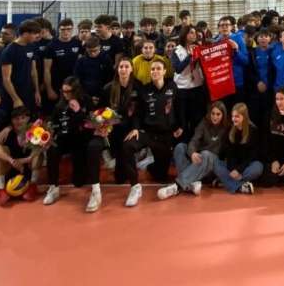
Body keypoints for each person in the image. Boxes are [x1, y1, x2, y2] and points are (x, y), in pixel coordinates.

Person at [119, 59, 182, 207]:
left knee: (160, 175)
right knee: (127, 145)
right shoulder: (144, 90)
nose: (155, 71)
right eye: (152, 69)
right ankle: (135, 187)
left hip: (165, 136)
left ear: (164, 71)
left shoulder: (172, 87)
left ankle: (150, 166)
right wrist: (135, 128)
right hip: (147, 132)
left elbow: (180, 108)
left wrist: (181, 126)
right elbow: (137, 113)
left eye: (158, 69)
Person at [84, 58, 142, 212]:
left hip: (128, 130)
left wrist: (136, 128)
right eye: (121, 67)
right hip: (109, 129)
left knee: (121, 175)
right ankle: (95, 191)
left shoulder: (137, 86)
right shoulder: (108, 88)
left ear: (131, 69)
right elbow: (99, 111)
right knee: (93, 147)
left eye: (126, 66)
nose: (123, 69)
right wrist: (100, 126)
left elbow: (139, 112)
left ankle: (135, 187)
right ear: (117, 70)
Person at [157, 101, 229, 199]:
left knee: (206, 154)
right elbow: (194, 140)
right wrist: (192, 153)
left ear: (223, 115)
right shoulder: (204, 123)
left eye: (218, 114)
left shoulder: (227, 128)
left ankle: (177, 186)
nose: (215, 117)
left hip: (213, 164)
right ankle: (190, 184)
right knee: (180, 147)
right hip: (199, 161)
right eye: (213, 113)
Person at [43, 77, 94, 205]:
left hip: (80, 139)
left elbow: (92, 122)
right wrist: (47, 133)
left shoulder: (86, 100)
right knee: (52, 149)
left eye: (68, 91)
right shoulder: (60, 104)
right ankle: (53, 188)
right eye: (63, 91)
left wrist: (78, 112)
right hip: (63, 138)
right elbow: (53, 124)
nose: (65, 94)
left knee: (78, 182)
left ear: (76, 90)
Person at [0, 106, 41, 206]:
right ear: (12, 120)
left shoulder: (34, 132)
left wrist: (24, 160)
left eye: (23, 118)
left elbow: (38, 149)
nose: (19, 121)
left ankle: (32, 186)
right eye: (16, 118)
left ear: (28, 119)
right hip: (10, 168)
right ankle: (0, 189)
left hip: (26, 168)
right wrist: (12, 161)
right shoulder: (6, 134)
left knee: (38, 154)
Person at [213, 103, 262, 194]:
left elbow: (252, 156)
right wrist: (232, 169)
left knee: (258, 167)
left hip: (246, 166)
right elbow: (227, 154)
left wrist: (239, 170)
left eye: (237, 116)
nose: (233, 119)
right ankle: (241, 186)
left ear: (244, 117)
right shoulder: (229, 130)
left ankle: (225, 182)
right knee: (216, 164)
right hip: (231, 166)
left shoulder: (253, 130)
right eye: (232, 116)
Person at [171, 25, 207, 143]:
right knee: (183, 121)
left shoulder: (199, 48)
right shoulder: (177, 50)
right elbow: (178, 68)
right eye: (191, 32)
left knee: (197, 119)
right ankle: (184, 146)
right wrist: (190, 56)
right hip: (182, 90)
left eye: (195, 33)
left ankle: (196, 145)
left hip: (197, 88)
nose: (194, 35)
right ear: (184, 34)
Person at [0, 20, 42, 112]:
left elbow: (33, 71)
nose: (37, 36)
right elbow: (6, 79)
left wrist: (37, 91)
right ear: (26, 34)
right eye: (35, 33)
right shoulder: (9, 51)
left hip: (28, 92)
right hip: (14, 94)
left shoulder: (31, 46)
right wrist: (16, 99)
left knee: (30, 121)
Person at [44, 18, 82, 113]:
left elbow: (81, 65)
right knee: (57, 111)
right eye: (63, 29)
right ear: (58, 30)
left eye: (68, 29)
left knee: (74, 111)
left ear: (72, 30)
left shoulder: (78, 44)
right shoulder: (51, 46)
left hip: (74, 85)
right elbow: (46, 69)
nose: (66, 32)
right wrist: (49, 89)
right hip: (57, 85)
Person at [74, 36, 114, 105]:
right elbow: (77, 80)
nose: (92, 53)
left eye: (95, 51)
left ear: (99, 47)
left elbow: (110, 78)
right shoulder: (81, 61)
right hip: (86, 95)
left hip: (103, 94)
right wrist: (87, 97)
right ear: (86, 49)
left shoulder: (106, 59)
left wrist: (102, 95)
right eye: (90, 51)